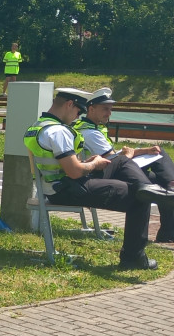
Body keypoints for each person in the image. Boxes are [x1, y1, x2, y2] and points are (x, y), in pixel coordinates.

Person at [24, 88, 171, 270]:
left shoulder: (39, 126)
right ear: (70, 104)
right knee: (139, 198)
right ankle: (133, 258)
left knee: (120, 160)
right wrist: (92, 165)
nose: (78, 117)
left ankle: (147, 187)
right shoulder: (58, 131)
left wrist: (88, 162)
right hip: (67, 190)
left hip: (59, 186)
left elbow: (64, 167)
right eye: (79, 112)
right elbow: (75, 172)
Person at [74, 88, 174, 243]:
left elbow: (115, 155)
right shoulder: (90, 133)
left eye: (111, 109)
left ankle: (169, 227)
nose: (109, 113)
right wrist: (133, 153)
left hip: (109, 169)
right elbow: (114, 160)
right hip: (106, 173)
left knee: (159, 164)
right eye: (105, 109)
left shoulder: (92, 128)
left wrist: (144, 150)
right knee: (160, 173)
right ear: (91, 109)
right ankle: (168, 231)